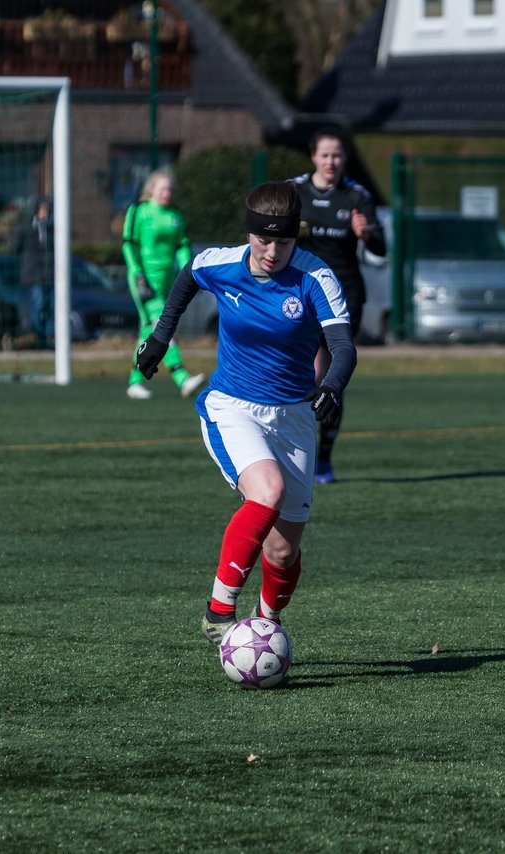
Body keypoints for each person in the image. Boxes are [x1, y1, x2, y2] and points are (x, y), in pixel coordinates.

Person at [134, 181, 356, 644]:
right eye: (263, 240)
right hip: (232, 408)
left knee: (283, 549)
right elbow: (187, 277)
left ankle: (266, 626)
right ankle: (218, 612)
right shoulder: (222, 263)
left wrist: (332, 385)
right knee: (267, 491)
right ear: (249, 233)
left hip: (294, 418)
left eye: (284, 240)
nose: (273, 251)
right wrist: (159, 339)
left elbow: (342, 346)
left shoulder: (316, 277)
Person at [289, 127, 386, 484]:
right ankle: (293, 447)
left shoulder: (356, 197)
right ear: (313, 156)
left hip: (343, 294)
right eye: (325, 155)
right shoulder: (294, 191)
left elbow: (381, 247)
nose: (331, 161)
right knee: (301, 374)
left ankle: (324, 458)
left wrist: (367, 235)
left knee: (329, 376)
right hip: (298, 293)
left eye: (338, 155)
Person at [121, 169, 205, 400]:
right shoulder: (139, 211)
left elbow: (182, 245)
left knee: (148, 329)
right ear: (151, 190)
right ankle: (182, 378)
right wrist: (138, 273)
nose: (166, 193)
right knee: (161, 325)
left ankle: (134, 381)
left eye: (169, 189)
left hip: (169, 281)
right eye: (162, 188)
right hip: (144, 280)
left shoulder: (175, 214)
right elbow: (129, 244)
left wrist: (189, 270)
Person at [10, 196, 55, 346]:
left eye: (47, 209)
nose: (45, 212)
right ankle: (38, 334)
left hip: (50, 276)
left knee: (52, 306)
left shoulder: (53, 228)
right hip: (33, 276)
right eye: (42, 209)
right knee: (38, 303)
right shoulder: (26, 228)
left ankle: (47, 336)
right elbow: (15, 248)